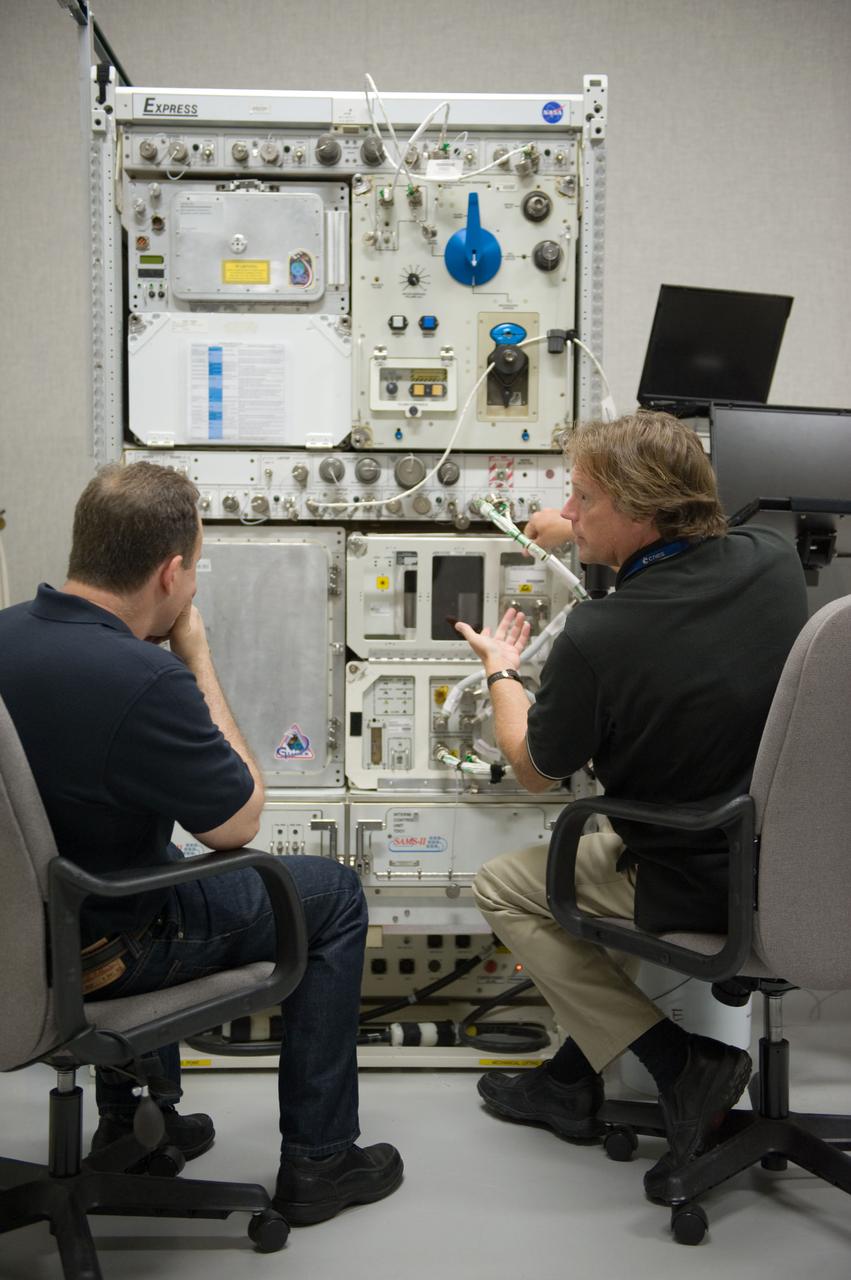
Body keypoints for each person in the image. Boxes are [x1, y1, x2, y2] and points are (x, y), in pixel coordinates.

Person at [0, 462, 403, 1226]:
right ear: (172, 571)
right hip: (99, 954)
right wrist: (194, 657)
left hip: (12, 946)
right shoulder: (141, 677)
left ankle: (137, 1126)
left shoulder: (6, 636)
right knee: (329, 893)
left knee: (153, 866)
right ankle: (320, 1160)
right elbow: (238, 821)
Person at [454, 411, 808, 1202]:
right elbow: (674, 597)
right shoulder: (772, 560)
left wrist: (503, 673)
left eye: (582, 499)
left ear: (643, 508)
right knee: (584, 873)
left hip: (691, 873)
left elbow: (534, 769)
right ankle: (567, 1079)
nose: (568, 514)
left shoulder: (593, 637)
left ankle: (679, 1063)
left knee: (512, 885)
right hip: (794, 861)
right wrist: (582, 540)